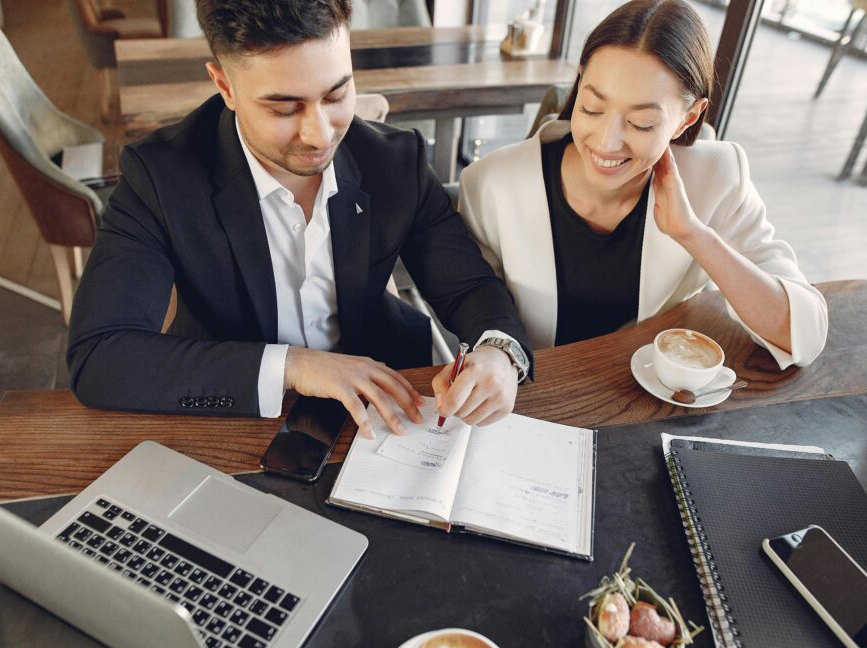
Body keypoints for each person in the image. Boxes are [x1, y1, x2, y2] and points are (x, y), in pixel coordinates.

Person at [67, 0, 533, 439]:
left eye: (337, 94)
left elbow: (470, 288)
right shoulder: (161, 177)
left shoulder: (395, 162)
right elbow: (100, 356)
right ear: (225, 86)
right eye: (284, 108)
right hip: (236, 406)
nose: (320, 134)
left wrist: (500, 350)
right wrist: (294, 366)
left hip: (387, 395)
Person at [458, 0, 827, 368]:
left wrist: (695, 236)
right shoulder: (492, 184)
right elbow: (474, 316)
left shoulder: (716, 176)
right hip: (538, 397)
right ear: (580, 82)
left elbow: (804, 334)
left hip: (652, 398)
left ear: (687, 119)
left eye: (641, 123)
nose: (606, 142)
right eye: (592, 108)